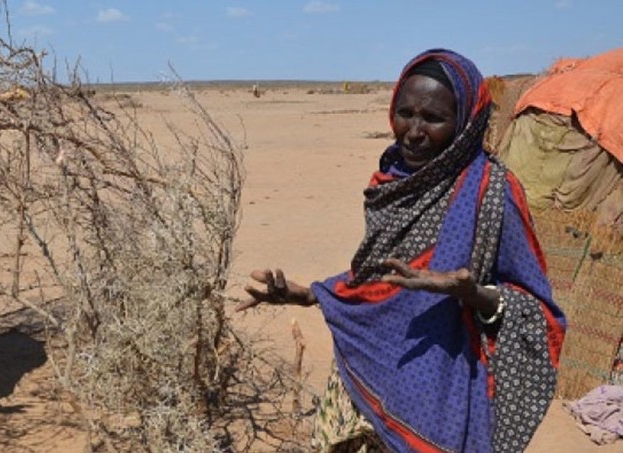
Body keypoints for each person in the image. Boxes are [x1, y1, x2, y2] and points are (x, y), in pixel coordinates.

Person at [238, 49, 567, 452]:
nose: (413, 131)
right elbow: (377, 279)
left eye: (433, 118)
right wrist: (309, 295)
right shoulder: (393, 182)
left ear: (465, 123)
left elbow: (539, 313)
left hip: (438, 390)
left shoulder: (494, 192)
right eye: (405, 113)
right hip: (364, 373)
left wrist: (472, 293)